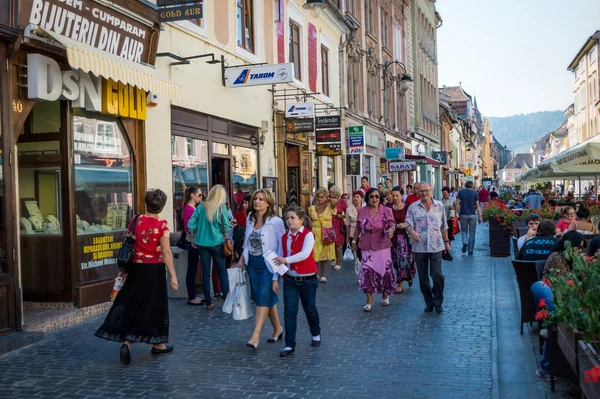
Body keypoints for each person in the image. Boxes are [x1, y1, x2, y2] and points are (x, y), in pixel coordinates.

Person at [95, 189, 179, 365]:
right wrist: (173, 276)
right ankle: (157, 343)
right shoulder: (162, 225)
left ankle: (127, 341)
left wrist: (124, 269)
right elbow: (166, 252)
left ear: (146, 204)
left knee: (132, 303)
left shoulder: (135, 220)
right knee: (155, 306)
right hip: (154, 270)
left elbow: (129, 243)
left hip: (135, 269)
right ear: (161, 207)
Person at [531, 231, 586, 381]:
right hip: (554, 296)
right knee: (558, 321)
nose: (580, 251)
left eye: (582, 248)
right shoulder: (557, 257)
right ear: (568, 245)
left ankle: (551, 367)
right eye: (578, 247)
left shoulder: (574, 259)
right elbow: (565, 285)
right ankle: (548, 367)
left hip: (567, 299)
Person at [237, 189, 286, 349]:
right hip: (253, 263)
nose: (257, 201)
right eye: (256, 199)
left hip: (269, 265)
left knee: (262, 297)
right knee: (264, 296)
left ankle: (255, 335)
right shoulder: (250, 218)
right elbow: (247, 240)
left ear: (268, 202)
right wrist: (243, 257)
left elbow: (282, 247)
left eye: (261, 199)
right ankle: (278, 329)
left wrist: (276, 273)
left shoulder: (276, 222)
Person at [272, 207, 321, 357]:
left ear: (301, 220)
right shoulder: (284, 237)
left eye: (292, 218)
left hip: (308, 279)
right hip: (290, 279)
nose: (289, 221)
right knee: (289, 311)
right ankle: (289, 344)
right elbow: (278, 257)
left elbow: (305, 254)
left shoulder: (308, 235)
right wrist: (275, 278)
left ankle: (315, 332)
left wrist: (286, 260)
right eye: (287, 218)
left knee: (310, 308)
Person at [405, 182, 451, 313]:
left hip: (436, 246)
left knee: (437, 274)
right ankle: (429, 302)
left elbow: (444, 226)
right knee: (423, 277)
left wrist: (447, 242)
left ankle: (438, 302)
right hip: (419, 247)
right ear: (418, 192)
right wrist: (412, 232)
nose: (424, 193)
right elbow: (407, 223)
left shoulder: (439, 206)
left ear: (431, 191)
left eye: (426, 190)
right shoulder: (413, 207)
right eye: (421, 191)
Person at [351, 188, 396, 312]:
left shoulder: (386, 210)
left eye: (377, 196)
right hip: (366, 246)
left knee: (384, 271)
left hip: (382, 245)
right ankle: (369, 300)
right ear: (368, 199)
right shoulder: (361, 211)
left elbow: (392, 224)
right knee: (367, 272)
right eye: (371, 197)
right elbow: (358, 228)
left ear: (380, 198)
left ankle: (385, 295)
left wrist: (391, 230)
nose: (374, 199)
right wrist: (354, 241)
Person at [187, 185, 230, 310]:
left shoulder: (201, 206)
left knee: (205, 273)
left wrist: (194, 232)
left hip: (202, 243)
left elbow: (190, 224)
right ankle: (227, 301)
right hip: (217, 243)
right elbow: (226, 227)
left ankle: (208, 302)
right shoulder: (221, 208)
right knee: (222, 272)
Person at [181, 185, 205, 306]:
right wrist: (194, 241)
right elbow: (188, 227)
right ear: (192, 195)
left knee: (193, 269)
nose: (201, 197)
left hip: (192, 241)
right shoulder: (189, 209)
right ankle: (191, 296)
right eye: (199, 195)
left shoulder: (190, 208)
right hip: (192, 242)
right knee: (192, 269)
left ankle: (193, 295)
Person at [389, 186, 416, 294]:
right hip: (392, 238)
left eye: (397, 195)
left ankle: (399, 283)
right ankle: (408, 276)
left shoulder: (407, 208)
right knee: (395, 261)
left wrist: (404, 224)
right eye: (393, 195)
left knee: (403, 260)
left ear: (401, 195)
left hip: (404, 238)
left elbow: (412, 221)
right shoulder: (389, 208)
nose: (395, 198)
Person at [309, 187, 336, 283]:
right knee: (315, 254)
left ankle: (323, 275)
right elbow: (309, 221)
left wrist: (328, 198)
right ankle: (316, 273)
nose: (320, 198)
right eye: (319, 197)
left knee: (324, 255)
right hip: (315, 232)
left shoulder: (329, 207)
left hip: (326, 232)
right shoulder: (312, 208)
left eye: (322, 197)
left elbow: (335, 201)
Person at [456, 180, 482, 255]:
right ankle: (470, 249)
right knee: (472, 233)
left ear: (465, 185)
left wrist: (456, 213)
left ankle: (465, 242)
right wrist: (480, 216)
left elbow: (457, 203)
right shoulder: (475, 193)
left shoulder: (461, 192)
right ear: (472, 186)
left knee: (464, 231)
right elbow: (477, 206)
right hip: (472, 215)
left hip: (463, 214)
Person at [328, 185, 347, 271]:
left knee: (337, 243)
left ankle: (338, 261)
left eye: (332, 192)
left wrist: (342, 216)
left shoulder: (342, 201)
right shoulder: (327, 201)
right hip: (329, 222)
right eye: (330, 191)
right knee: (330, 241)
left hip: (338, 222)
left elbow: (348, 213)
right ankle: (333, 258)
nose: (330, 193)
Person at [345, 190, 364, 257]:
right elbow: (347, 224)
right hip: (353, 235)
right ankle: (357, 267)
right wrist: (347, 237)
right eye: (354, 197)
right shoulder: (349, 209)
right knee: (356, 256)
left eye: (357, 197)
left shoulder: (366, 208)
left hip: (364, 234)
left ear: (361, 198)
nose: (356, 198)